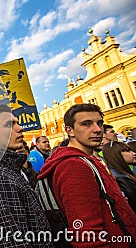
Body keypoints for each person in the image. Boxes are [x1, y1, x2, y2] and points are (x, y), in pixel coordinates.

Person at [39, 103, 136, 246]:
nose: (97, 130)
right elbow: (87, 234)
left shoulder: (88, 160)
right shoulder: (73, 166)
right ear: (69, 130)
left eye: (99, 123)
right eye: (86, 124)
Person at [0, 105, 52, 247]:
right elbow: (10, 242)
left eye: (17, 123)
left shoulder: (11, 170)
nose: (20, 128)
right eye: (9, 125)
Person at [103, 141, 136, 214]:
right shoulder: (121, 178)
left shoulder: (117, 174)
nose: (133, 153)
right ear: (116, 155)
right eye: (127, 151)